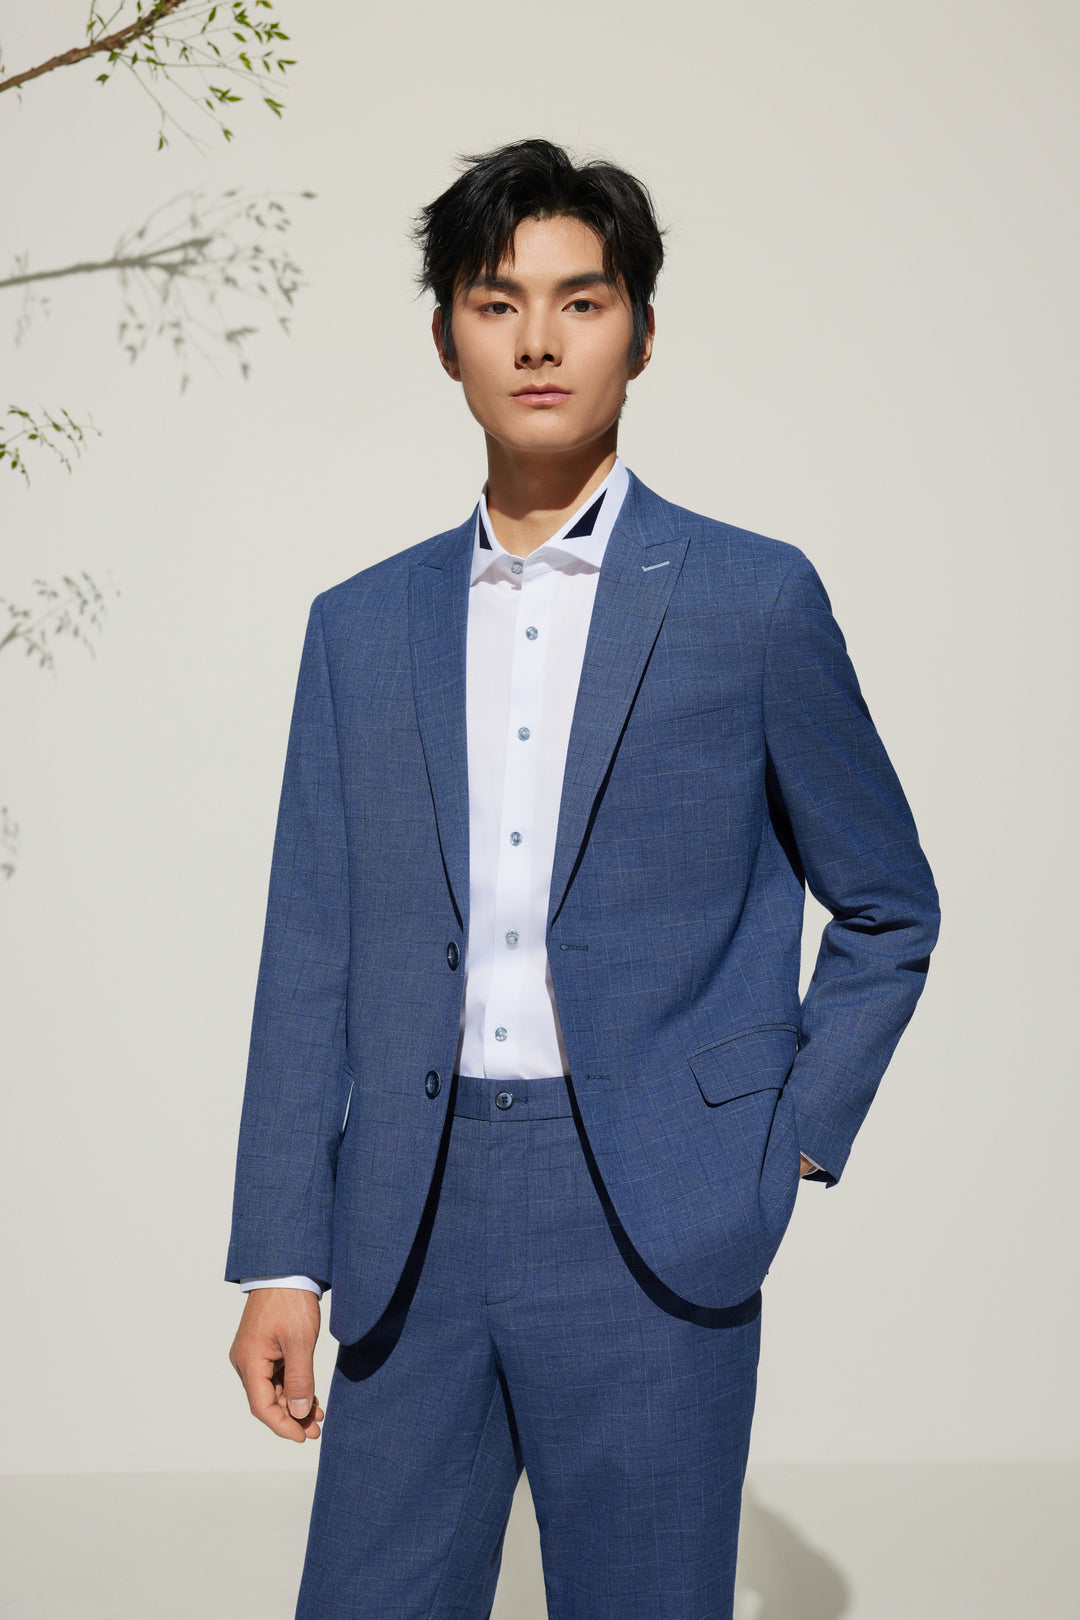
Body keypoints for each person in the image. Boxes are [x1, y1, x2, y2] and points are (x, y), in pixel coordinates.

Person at [225, 137, 939, 1620]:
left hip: (653, 1216)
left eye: (582, 301)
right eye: (498, 304)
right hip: (407, 1216)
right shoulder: (359, 627)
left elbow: (887, 905)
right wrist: (281, 1257)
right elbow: (310, 954)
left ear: (642, 332)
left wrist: (788, 1141)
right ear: (446, 340)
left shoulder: (752, 598)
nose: (539, 342)